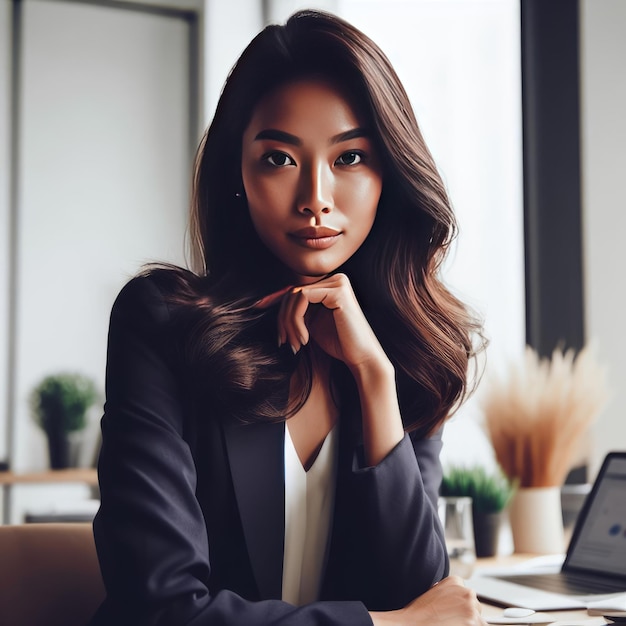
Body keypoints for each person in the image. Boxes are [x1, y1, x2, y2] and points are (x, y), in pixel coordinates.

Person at [89, 9, 487, 626]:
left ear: (390, 174)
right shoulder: (163, 324)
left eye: (350, 158)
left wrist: (375, 381)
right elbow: (162, 608)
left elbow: (420, 590)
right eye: (279, 159)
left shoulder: (410, 353)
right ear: (237, 175)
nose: (316, 198)